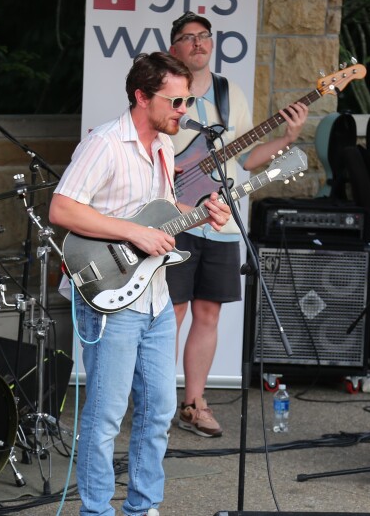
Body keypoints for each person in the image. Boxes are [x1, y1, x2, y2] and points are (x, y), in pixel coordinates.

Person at [49, 51, 231, 516]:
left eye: (186, 102)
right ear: (140, 97)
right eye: (174, 102)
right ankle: (96, 511)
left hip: (154, 295)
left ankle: (143, 508)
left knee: (158, 414)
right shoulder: (106, 143)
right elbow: (62, 209)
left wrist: (206, 215)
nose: (182, 111)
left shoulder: (164, 149)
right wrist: (132, 232)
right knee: (107, 415)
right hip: (109, 295)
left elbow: (161, 219)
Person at [165, 11, 309, 437]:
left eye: (203, 36)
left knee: (207, 313)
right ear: (173, 48)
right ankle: (154, 400)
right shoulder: (166, 90)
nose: (197, 43)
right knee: (169, 314)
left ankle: (193, 404)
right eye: (188, 38)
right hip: (174, 218)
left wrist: (286, 138)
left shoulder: (231, 93)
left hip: (223, 221)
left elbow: (244, 157)